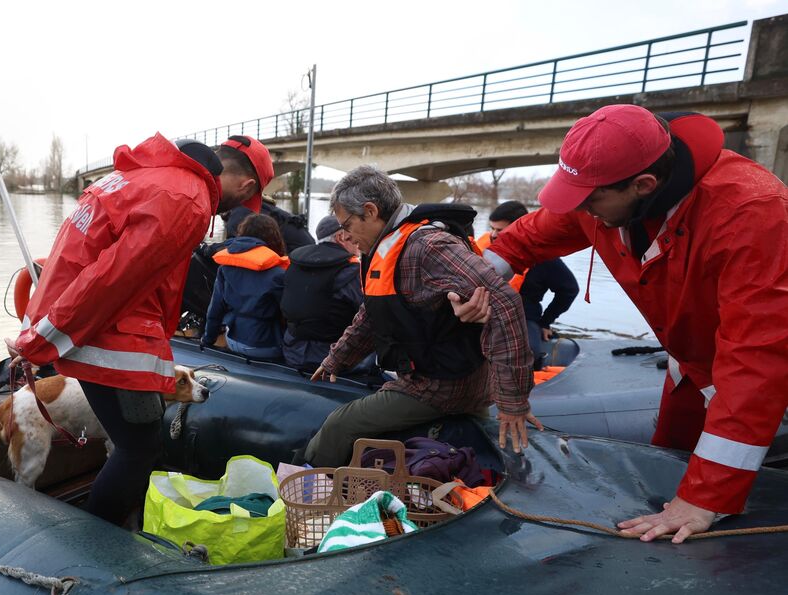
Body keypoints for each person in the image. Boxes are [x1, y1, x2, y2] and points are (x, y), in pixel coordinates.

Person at [451, 104, 788, 542]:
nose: (583, 212)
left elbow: (757, 363)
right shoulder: (601, 194)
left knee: (708, 490)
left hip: (753, 359)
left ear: (644, 185)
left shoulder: (754, 213)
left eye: (590, 201)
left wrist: (707, 498)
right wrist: (474, 278)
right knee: (665, 458)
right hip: (687, 362)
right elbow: (533, 233)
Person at [8, 132, 276, 526]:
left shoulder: (146, 177)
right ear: (247, 185)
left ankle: (114, 524)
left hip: (82, 321)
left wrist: (43, 329)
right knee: (139, 446)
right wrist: (41, 341)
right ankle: (96, 539)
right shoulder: (188, 199)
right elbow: (111, 278)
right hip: (101, 332)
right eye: (243, 199)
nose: (230, 210)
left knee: (140, 440)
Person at [303, 166, 540, 468]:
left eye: (347, 225)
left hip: (438, 387)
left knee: (339, 425)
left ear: (370, 211)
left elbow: (504, 302)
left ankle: (307, 487)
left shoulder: (426, 246)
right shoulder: (388, 248)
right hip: (449, 377)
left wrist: (513, 401)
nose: (345, 235)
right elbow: (372, 314)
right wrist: (336, 359)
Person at [486, 201, 579, 369]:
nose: (492, 235)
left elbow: (569, 289)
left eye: (499, 230)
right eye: (491, 228)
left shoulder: (544, 259)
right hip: (486, 314)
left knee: (529, 356)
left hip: (523, 318)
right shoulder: (483, 252)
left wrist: (546, 321)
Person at [280, 215, 363, 371]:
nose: (359, 240)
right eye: (354, 233)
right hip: (332, 359)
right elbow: (370, 317)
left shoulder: (295, 263)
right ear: (340, 237)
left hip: (292, 352)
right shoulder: (352, 272)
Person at [202, 213, 288, 360]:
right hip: (265, 347)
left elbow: (215, 310)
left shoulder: (225, 267)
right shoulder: (278, 274)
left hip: (233, 341)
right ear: (274, 237)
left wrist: (207, 341)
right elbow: (289, 316)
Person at [224, 197, 315, 254]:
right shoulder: (253, 205)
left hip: (299, 252)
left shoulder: (237, 216)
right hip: (308, 247)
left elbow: (234, 248)